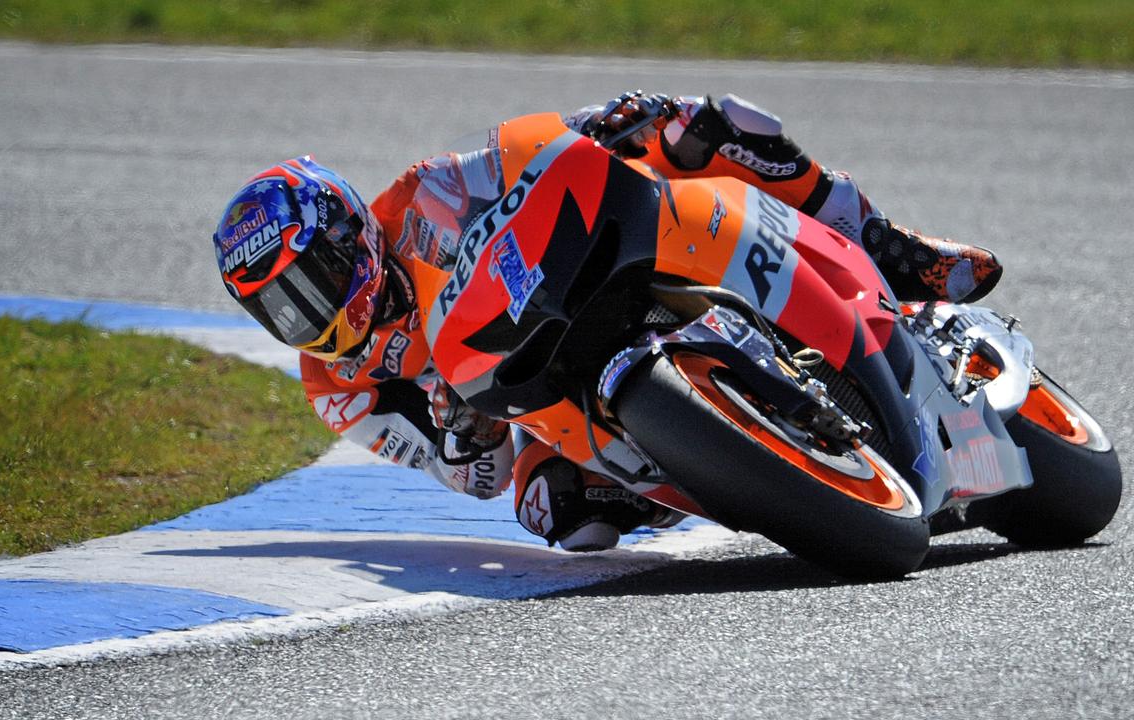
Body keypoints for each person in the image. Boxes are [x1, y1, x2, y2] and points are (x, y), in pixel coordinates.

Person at [211, 91, 1002, 551]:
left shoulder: (422, 196)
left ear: (352, 229)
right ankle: (743, 466)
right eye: (281, 307)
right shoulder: (339, 390)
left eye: (312, 280)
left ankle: (890, 246)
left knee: (704, 127)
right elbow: (471, 483)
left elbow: (533, 154)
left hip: (583, 272)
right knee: (551, 512)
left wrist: (609, 121)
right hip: (534, 394)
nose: (309, 313)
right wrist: (464, 433)